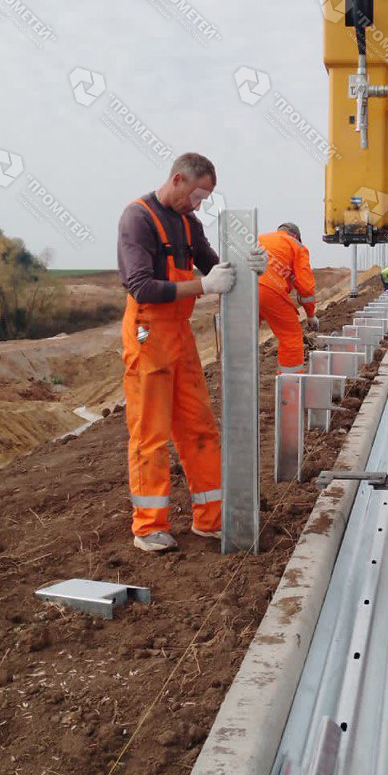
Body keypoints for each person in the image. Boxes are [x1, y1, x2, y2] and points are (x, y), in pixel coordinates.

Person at [117, 152, 267, 553]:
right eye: (196, 196)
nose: (198, 205)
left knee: (199, 427)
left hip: (180, 337)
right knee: (150, 433)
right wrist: (203, 287)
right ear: (178, 179)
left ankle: (212, 519)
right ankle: (148, 527)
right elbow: (142, 287)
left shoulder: (188, 223)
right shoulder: (138, 218)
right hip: (148, 334)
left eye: (204, 199)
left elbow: (217, 268)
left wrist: (248, 265)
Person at [257, 222, 318, 374]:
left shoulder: (260, 239)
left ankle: (238, 387)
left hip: (242, 290)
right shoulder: (297, 246)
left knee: (245, 338)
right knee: (290, 337)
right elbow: (305, 288)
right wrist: (311, 315)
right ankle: (290, 389)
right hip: (268, 290)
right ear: (296, 236)